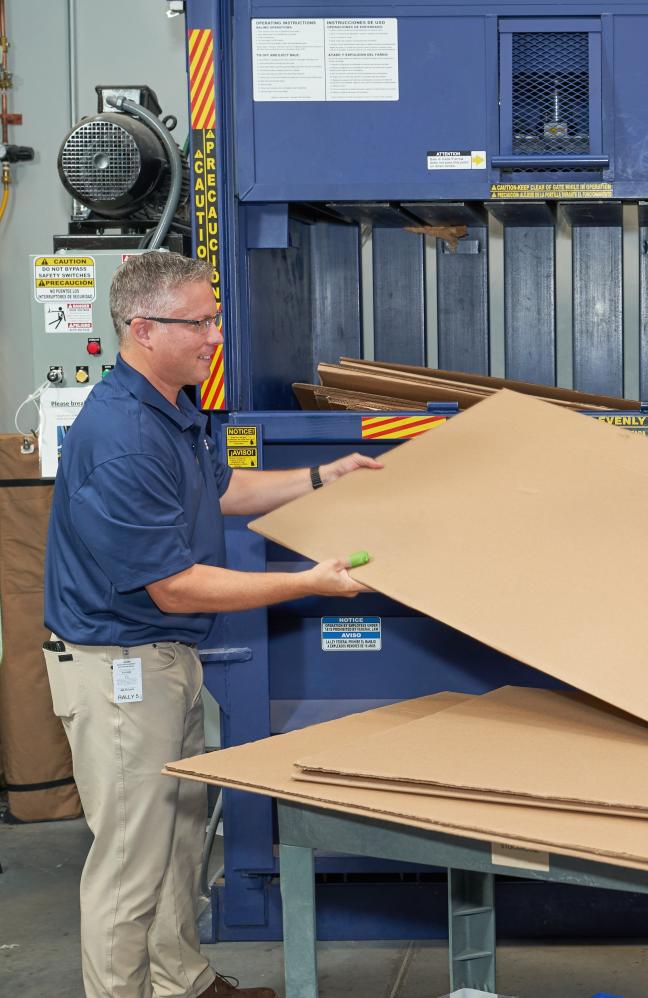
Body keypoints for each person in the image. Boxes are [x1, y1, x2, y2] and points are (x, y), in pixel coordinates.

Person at [42, 251, 382, 998]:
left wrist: (326, 475)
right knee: (131, 865)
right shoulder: (125, 436)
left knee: (176, 841)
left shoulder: (172, 407)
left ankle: (183, 983)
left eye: (213, 319)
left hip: (162, 664)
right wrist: (307, 583)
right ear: (142, 328)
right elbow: (175, 588)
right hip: (121, 668)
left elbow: (224, 490)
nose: (213, 337)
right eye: (198, 322)